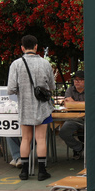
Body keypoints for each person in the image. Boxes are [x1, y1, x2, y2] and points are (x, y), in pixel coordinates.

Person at [7, 35, 55, 180]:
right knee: (40, 138)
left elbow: (11, 89)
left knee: (25, 138)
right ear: (36, 47)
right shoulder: (45, 64)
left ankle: (24, 172)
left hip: (24, 106)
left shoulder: (16, 64)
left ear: (22, 48)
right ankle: (41, 171)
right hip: (43, 108)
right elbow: (52, 86)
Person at [60, 71, 85, 160]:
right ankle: (79, 147)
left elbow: (91, 104)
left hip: (88, 119)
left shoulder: (90, 90)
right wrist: (82, 104)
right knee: (63, 132)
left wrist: (74, 103)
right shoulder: (70, 90)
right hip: (73, 119)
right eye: (75, 80)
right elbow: (68, 105)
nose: (77, 82)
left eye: (80, 80)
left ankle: (93, 151)